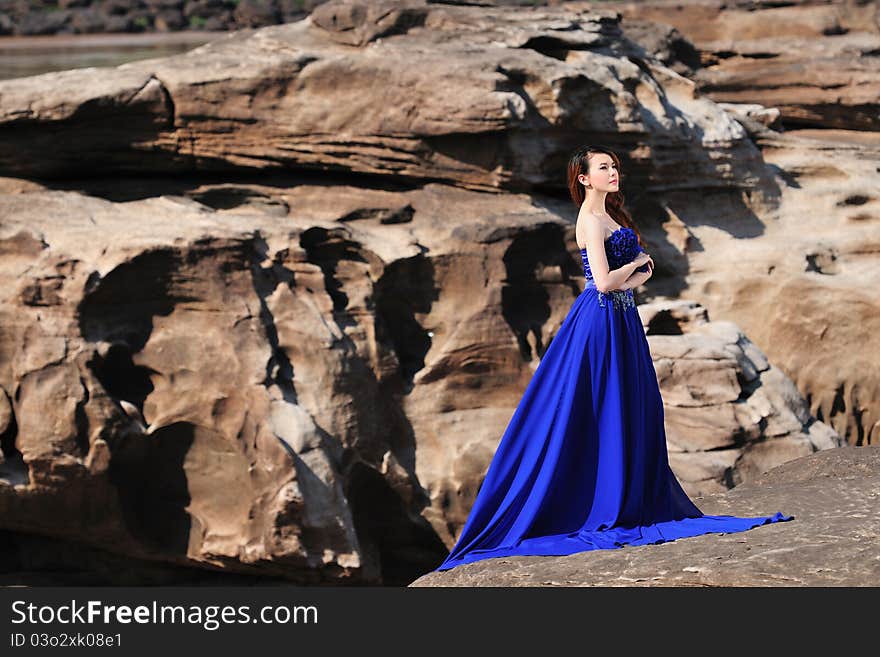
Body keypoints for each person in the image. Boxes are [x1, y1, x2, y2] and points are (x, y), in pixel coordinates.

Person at [434, 145, 793, 572]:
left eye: (614, 166)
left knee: (630, 405)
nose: (613, 171)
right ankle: (595, 500)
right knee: (596, 407)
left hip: (622, 320)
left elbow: (624, 281)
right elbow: (602, 283)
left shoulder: (610, 216)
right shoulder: (588, 218)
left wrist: (639, 272)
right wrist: (639, 263)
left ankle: (625, 493)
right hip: (600, 321)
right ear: (584, 178)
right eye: (603, 167)